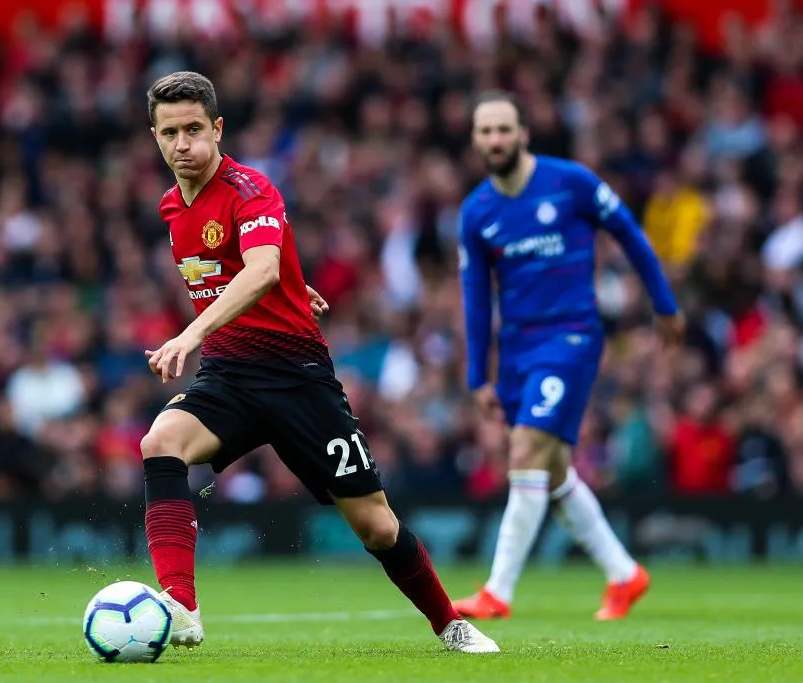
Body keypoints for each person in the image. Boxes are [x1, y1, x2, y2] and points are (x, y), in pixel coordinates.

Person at [139, 71, 499, 654]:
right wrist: (290, 285)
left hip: (298, 380)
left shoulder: (251, 189)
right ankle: (182, 607)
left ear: (218, 129)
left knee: (376, 526)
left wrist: (194, 332)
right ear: (154, 136)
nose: (183, 144)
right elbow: (246, 266)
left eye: (194, 130)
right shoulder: (170, 206)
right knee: (161, 442)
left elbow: (260, 269)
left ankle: (450, 623)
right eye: (170, 133)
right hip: (230, 376)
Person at [453, 91, 685, 621]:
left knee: (527, 449)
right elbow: (475, 297)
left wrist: (665, 305)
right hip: (517, 350)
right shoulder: (476, 212)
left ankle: (497, 592)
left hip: (571, 338)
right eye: (485, 131)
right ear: (475, 140)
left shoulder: (571, 182)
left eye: (503, 129)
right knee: (552, 471)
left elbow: (629, 234)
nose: (495, 140)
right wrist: (477, 375)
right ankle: (625, 574)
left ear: (523, 133)